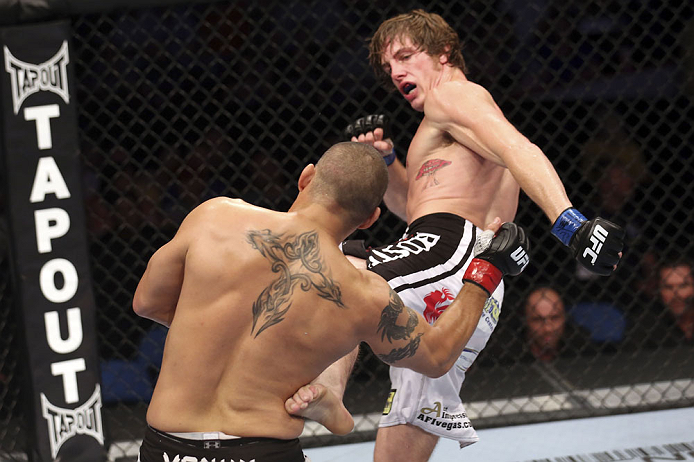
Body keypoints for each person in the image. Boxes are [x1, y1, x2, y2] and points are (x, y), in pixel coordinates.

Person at [339, 10, 625, 461]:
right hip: (474, 276)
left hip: (449, 251)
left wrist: (570, 223)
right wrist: (388, 159)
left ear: (443, 53)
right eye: (388, 66)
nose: (396, 72)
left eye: (407, 56)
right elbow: (414, 208)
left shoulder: (453, 95)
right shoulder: (447, 123)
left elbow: (518, 148)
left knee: (337, 269)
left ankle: (320, 394)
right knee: (411, 417)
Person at [132, 141, 530, 461]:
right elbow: (439, 356)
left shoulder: (214, 217)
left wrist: (210, 333)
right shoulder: (363, 294)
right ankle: (332, 403)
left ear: (306, 178)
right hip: (261, 450)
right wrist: (486, 269)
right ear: (371, 217)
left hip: (165, 447)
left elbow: (147, 302)